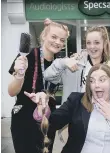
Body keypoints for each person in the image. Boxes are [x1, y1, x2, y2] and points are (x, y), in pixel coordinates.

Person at [25, 63, 110, 153]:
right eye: (92, 81)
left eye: (102, 80)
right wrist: (42, 108)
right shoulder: (76, 101)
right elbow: (53, 123)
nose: (96, 85)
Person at [8, 18, 69, 153]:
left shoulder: (59, 63)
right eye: (54, 37)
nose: (57, 42)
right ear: (44, 36)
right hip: (24, 120)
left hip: (47, 120)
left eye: (62, 40)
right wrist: (19, 75)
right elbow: (11, 92)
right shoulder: (27, 56)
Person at [43, 26, 110, 103]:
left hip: (101, 113)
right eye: (88, 43)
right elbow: (47, 76)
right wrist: (63, 62)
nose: (92, 46)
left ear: (104, 43)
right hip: (74, 113)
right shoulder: (75, 64)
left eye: (97, 42)